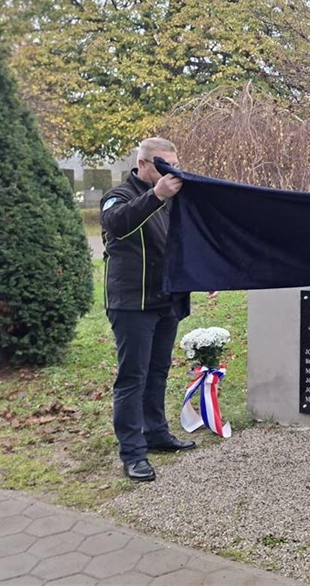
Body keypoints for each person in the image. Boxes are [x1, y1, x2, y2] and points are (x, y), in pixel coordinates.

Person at [101, 137, 196, 482]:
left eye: (174, 165)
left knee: (157, 373)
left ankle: (156, 434)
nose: (170, 172)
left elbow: (183, 242)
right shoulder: (121, 195)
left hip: (165, 301)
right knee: (132, 378)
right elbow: (116, 223)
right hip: (132, 304)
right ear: (142, 164)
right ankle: (132, 452)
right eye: (162, 165)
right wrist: (157, 194)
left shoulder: (172, 198)